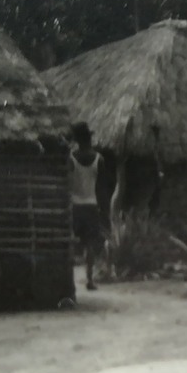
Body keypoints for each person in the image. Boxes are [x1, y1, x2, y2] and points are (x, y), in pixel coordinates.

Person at [68, 122, 104, 292]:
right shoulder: (99, 159)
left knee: (71, 243)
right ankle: (89, 279)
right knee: (90, 244)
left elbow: (67, 184)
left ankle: (70, 281)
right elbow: (102, 187)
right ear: (89, 138)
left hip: (75, 206)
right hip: (91, 205)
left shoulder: (71, 159)